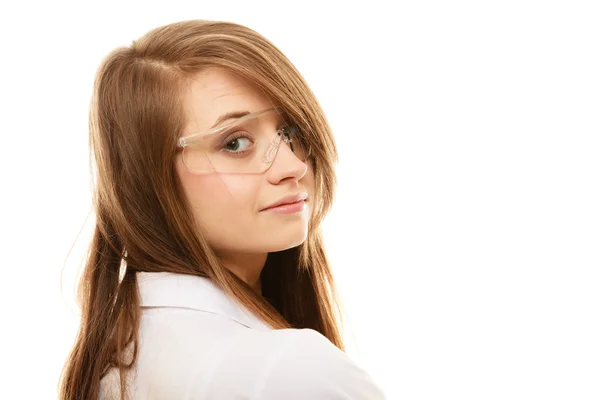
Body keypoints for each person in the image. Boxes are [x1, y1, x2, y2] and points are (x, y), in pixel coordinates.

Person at [59, 19, 386, 399]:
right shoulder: (290, 369)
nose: (293, 166)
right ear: (150, 177)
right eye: (235, 143)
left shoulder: (120, 353)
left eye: (292, 130)